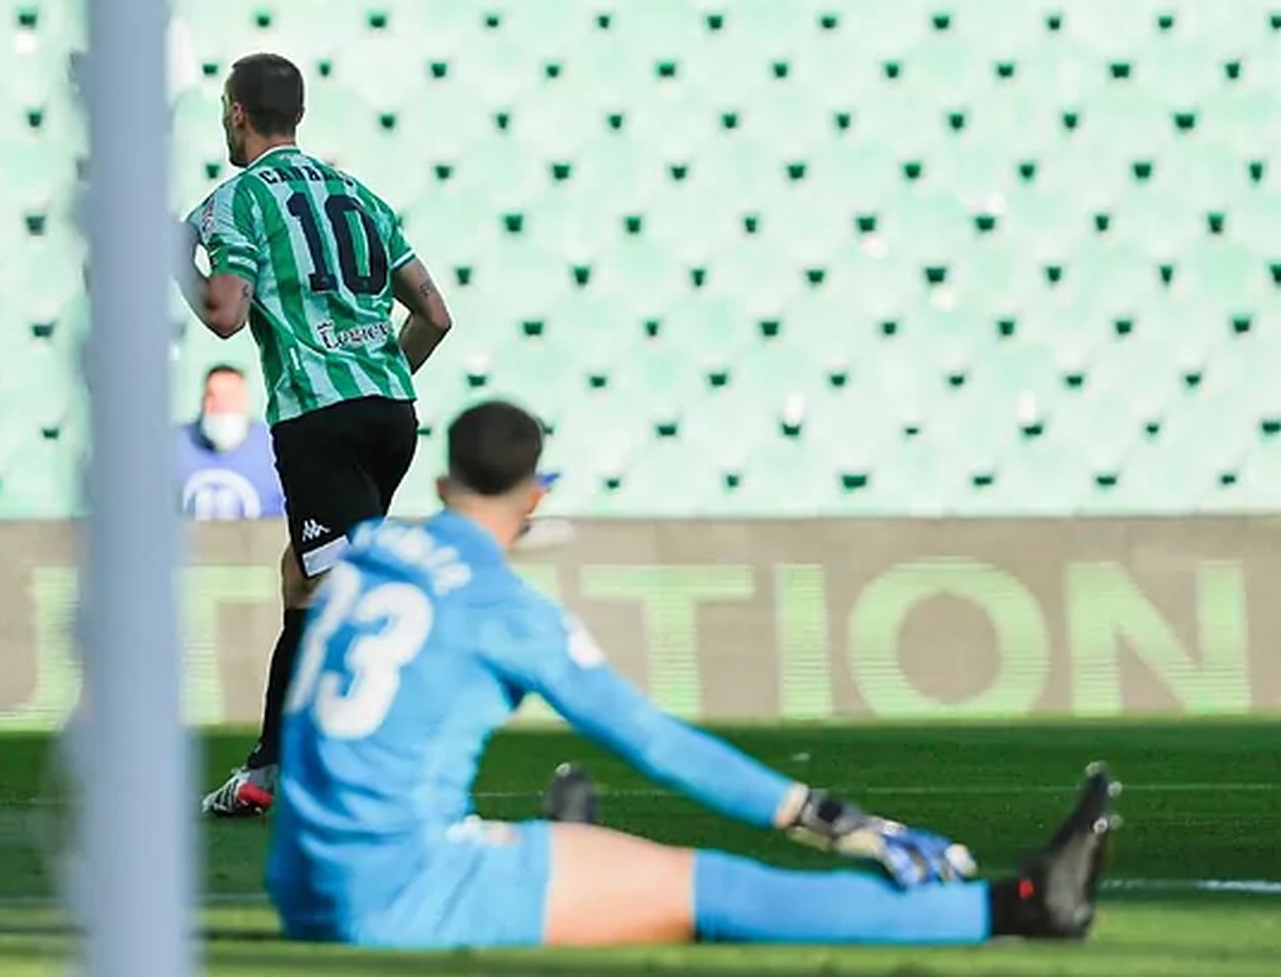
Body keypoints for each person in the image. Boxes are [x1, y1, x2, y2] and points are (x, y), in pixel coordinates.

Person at [267, 400, 1119, 949]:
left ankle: (570, 851)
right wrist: (820, 815)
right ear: (535, 496)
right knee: (719, 889)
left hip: (300, 878)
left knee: (548, 845)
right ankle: (1015, 906)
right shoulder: (508, 609)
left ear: (444, 480)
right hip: (399, 897)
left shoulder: (372, 551)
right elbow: (651, 740)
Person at [176, 52, 454, 818]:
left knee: (345, 587)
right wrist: (372, 376)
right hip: (390, 412)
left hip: (318, 421)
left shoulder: (237, 201)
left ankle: (394, 767)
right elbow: (435, 315)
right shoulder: (360, 197)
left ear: (236, 113)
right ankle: (269, 766)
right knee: (307, 576)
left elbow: (225, 314)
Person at [178, 364, 286, 521]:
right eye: (211, 396)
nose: (220, 405)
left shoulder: (275, 447)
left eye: (229, 397)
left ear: (245, 401)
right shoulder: (175, 444)